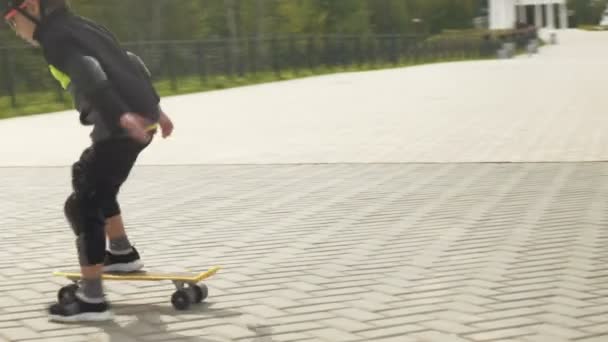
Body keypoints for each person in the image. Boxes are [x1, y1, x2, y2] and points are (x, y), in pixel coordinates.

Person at [2, 0, 174, 322]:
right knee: (96, 182)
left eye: (12, 21)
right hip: (143, 124)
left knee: (82, 204)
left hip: (122, 128)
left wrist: (120, 115)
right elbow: (131, 63)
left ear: (31, 8)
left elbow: (88, 71)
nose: (15, 30)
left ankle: (92, 299)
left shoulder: (55, 38)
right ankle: (121, 254)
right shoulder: (86, 26)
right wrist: (156, 111)